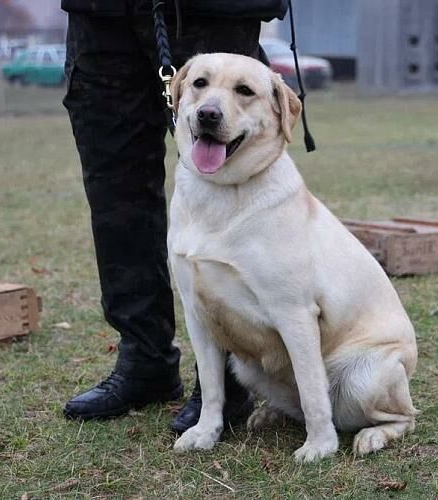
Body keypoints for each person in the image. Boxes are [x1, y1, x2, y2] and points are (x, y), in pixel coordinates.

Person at [60, 0, 289, 433]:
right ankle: (143, 358)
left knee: (228, 180)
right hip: (99, 15)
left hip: (211, 12)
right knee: (115, 188)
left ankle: (227, 379)